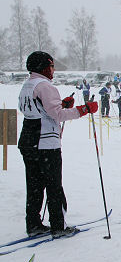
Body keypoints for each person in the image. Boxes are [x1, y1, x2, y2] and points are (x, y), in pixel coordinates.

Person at [18, 51, 99, 238]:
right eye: (52, 66)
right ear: (44, 67)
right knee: (54, 186)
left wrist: (61, 104)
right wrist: (83, 109)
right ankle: (58, 226)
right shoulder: (45, 86)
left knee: (34, 185)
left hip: (28, 141)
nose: (53, 70)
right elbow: (57, 115)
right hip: (46, 142)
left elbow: (41, 109)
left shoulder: (28, 85)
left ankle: (33, 223)